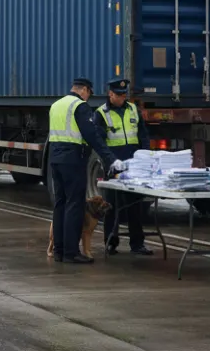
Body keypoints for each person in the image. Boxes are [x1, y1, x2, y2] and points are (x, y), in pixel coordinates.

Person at [48, 77, 118, 263]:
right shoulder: (80, 106)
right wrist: (109, 158)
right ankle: (71, 253)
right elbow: (91, 135)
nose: (88, 98)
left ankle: (59, 251)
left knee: (60, 204)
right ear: (85, 90)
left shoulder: (56, 105)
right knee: (75, 204)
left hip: (55, 159)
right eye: (89, 93)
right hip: (73, 160)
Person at [97, 78, 153, 255]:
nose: (122, 98)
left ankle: (137, 244)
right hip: (114, 166)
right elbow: (100, 142)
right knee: (111, 206)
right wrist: (111, 161)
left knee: (134, 206)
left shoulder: (133, 110)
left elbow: (143, 134)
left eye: (124, 95)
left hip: (133, 166)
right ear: (110, 94)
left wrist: (145, 155)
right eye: (119, 95)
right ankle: (111, 242)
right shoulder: (101, 113)